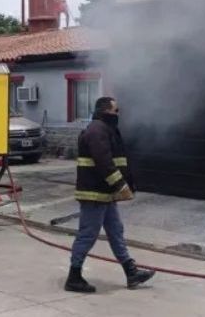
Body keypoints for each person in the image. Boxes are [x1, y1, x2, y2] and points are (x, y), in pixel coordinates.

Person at [64, 96, 155, 293]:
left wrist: (126, 183)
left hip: (106, 193)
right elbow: (104, 162)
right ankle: (74, 277)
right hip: (94, 194)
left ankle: (131, 272)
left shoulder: (106, 129)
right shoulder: (97, 130)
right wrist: (120, 184)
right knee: (88, 235)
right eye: (116, 110)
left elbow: (119, 161)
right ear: (106, 111)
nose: (118, 114)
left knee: (116, 232)